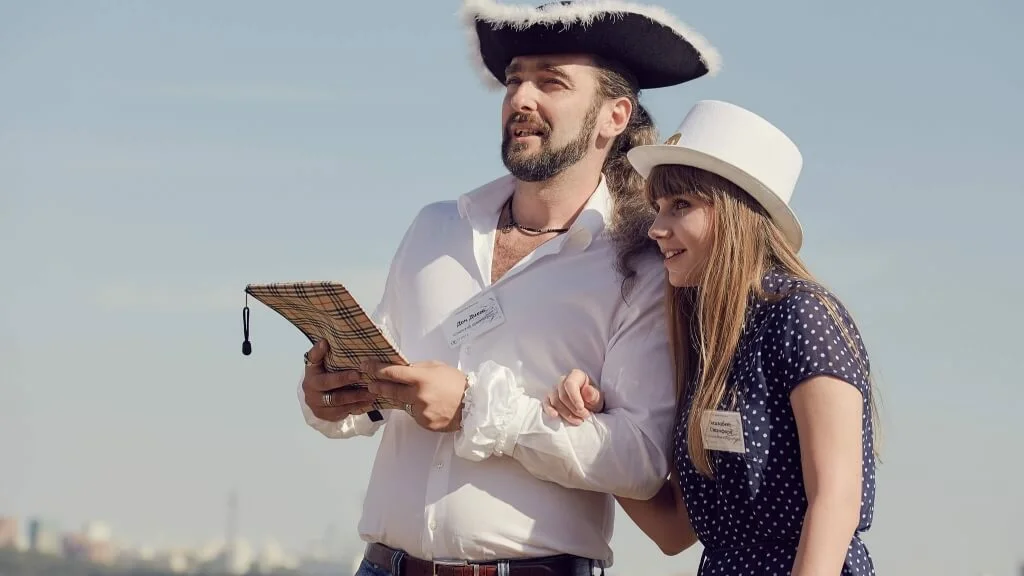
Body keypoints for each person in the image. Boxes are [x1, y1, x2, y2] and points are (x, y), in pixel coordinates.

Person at [297, 1, 722, 575]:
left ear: (614, 116)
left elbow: (639, 460)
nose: (521, 98)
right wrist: (334, 396)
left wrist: (475, 409)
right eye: (514, 80)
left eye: (551, 82)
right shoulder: (434, 228)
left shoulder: (642, 269)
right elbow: (375, 388)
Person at [545, 99, 880, 575]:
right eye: (658, 208)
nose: (656, 228)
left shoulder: (802, 315)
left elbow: (836, 500)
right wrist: (595, 426)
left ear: (737, 211)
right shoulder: (708, 340)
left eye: (680, 206)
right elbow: (673, 532)